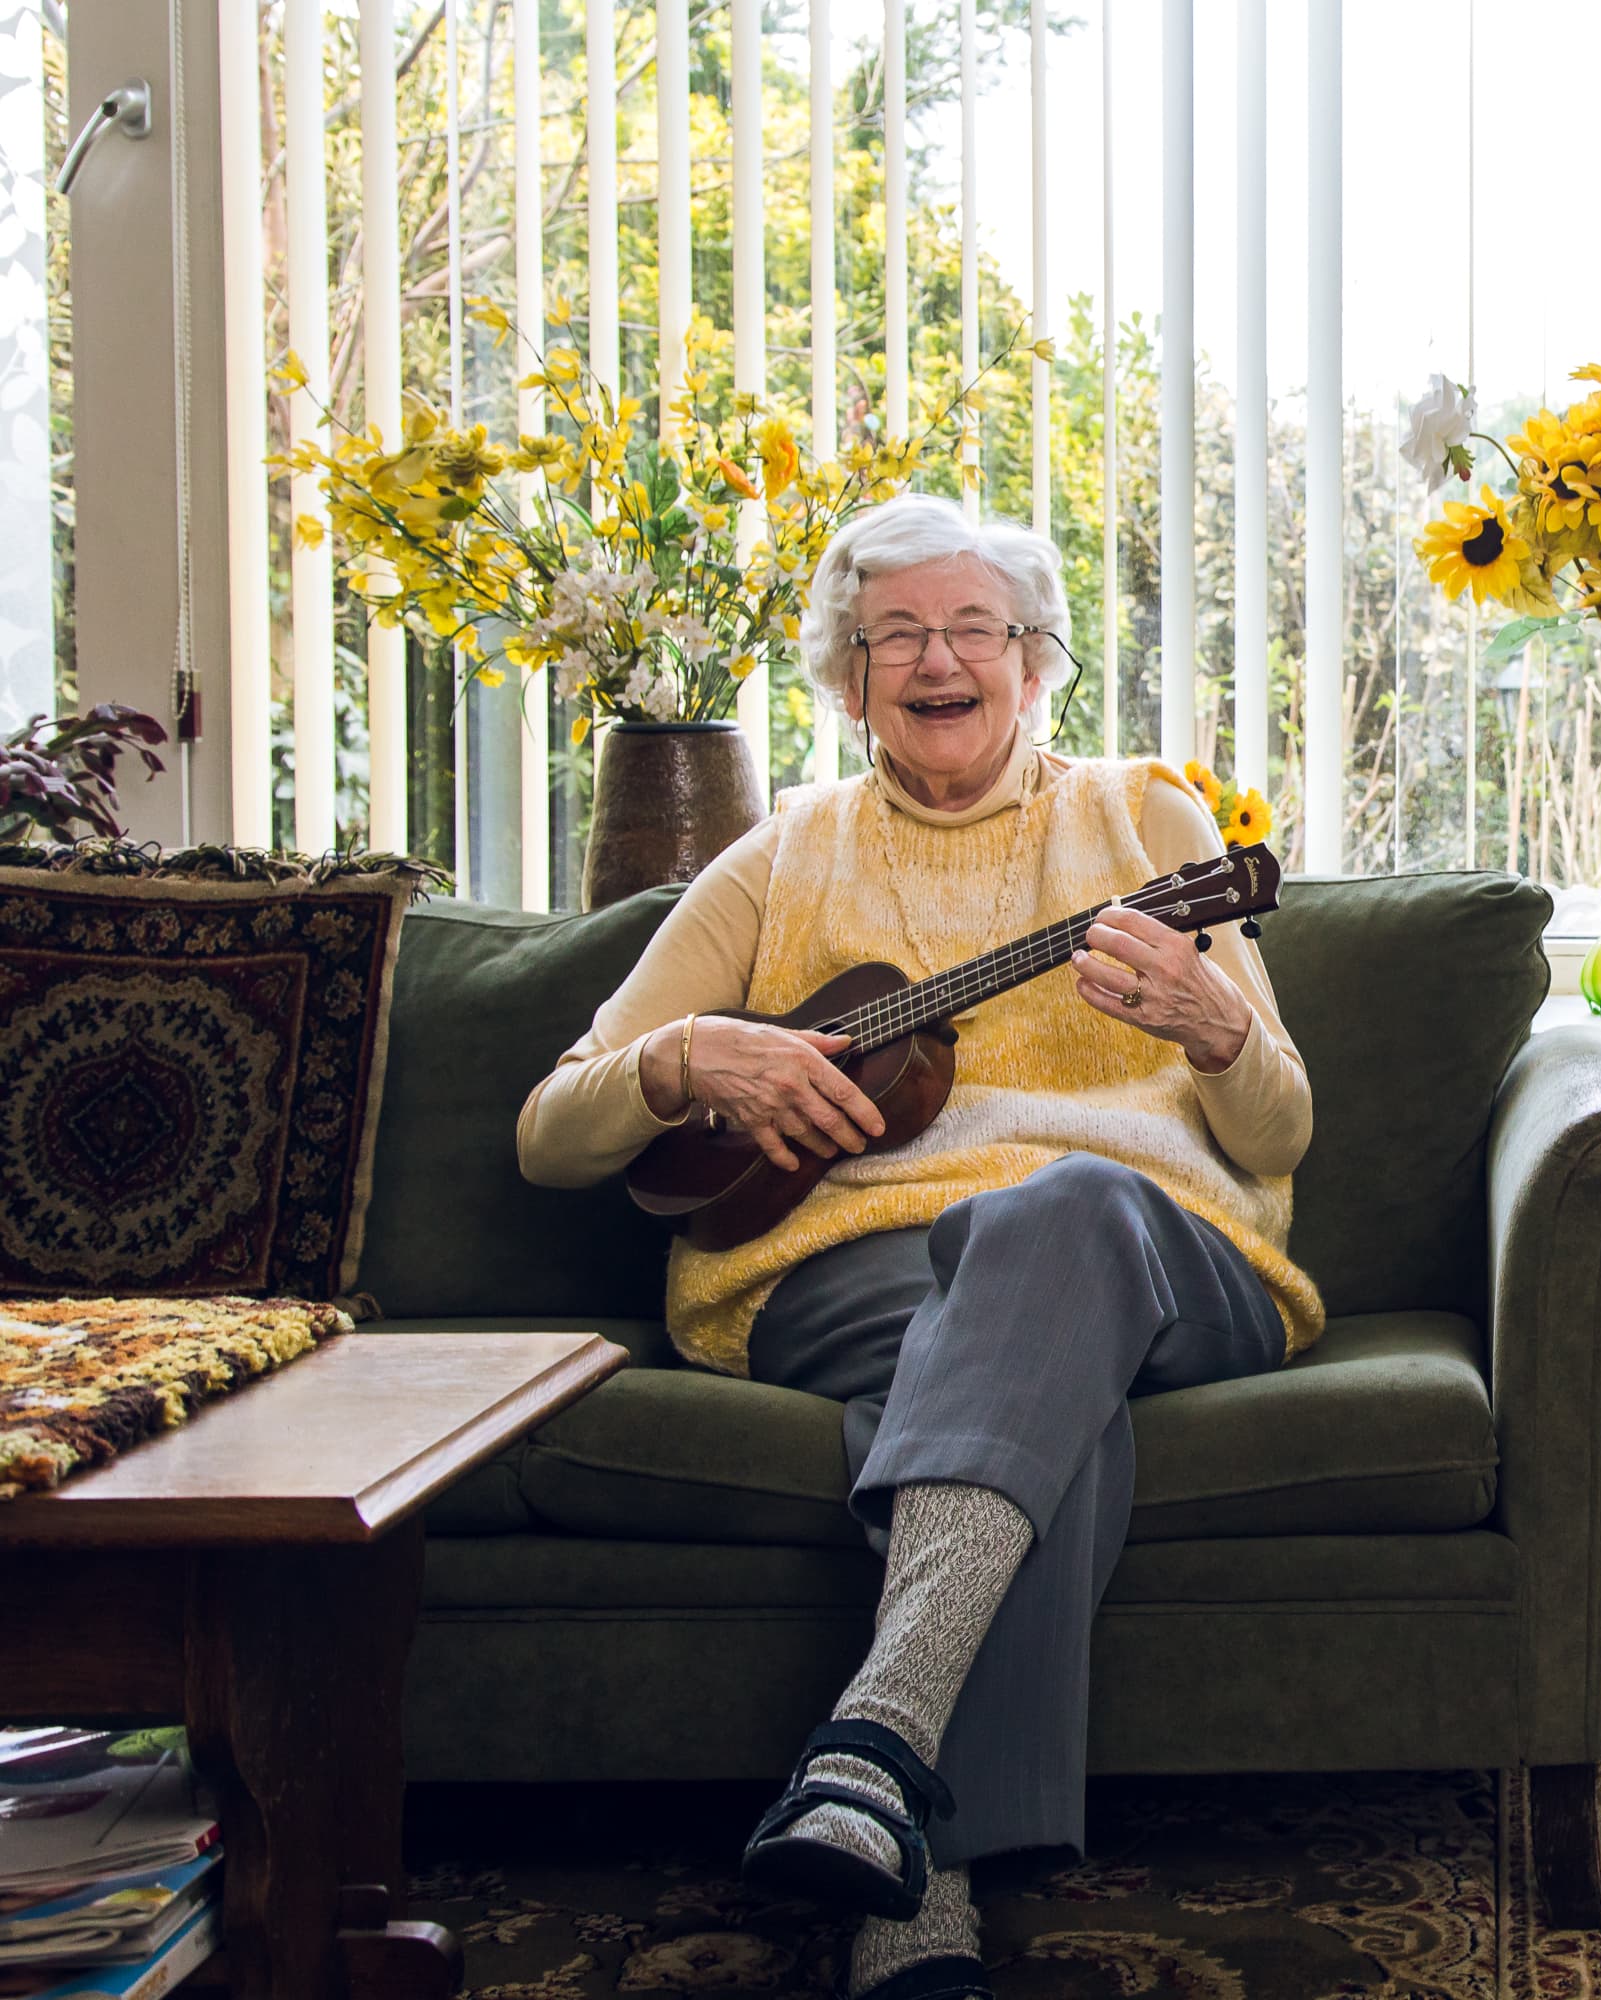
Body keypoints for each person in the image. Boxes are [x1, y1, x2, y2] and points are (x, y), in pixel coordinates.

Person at [516, 492, 1318, 2000]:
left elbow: (1277, 1138)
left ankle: (877, 1736)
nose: (938, 659)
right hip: (855, 1267)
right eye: (898, 634)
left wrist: (1220, 1031)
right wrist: (689, 1060)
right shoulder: (779, 856)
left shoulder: (1151, 822)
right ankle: (910, 1875)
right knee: (985, 1379)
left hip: (1155, 1251)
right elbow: (552, 1130)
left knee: (1056, 1212)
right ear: (846, 673)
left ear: (1033, 662)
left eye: (974, 630)